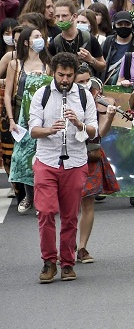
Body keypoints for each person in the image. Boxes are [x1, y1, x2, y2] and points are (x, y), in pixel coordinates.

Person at [29, 52, 98, 283]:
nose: (65, 80)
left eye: (69, 75)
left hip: (75, 161)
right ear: (53, 72)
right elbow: (33, 130)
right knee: (46, 212)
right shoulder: (43, 94)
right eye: (61, 75)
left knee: (69, 216)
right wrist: (50, 130)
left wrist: (79, 123)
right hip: (47, 160)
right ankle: (49, 261)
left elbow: (94, 130)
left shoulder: (84, 96)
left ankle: (67, 263)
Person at [75, 70, 120, 264]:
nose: (86, 85)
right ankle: (66, 246)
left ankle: (82, 247)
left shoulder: (97, 102)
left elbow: (99, 133)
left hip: (90, 154)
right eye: (81, 81)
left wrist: (109, 117)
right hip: (67, 154)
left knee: (87, 202)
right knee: (66, 205)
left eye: (88, 81)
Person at [6, 25, 49, 212]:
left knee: (40, 159)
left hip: (42, 118)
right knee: (23, 158)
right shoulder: (15, 64)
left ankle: (40, 199)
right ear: (26, 42)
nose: (41, 39)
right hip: (21, 118)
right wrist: (11, 119)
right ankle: (28, 197)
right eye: (36, 36)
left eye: (41, 36)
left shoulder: (48, 65)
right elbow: (8, 94)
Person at [49, 0, 106, 77]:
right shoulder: (55, 42)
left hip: (86, 83)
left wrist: (91, 59)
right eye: (57, 16)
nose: (60, 19)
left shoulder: (89, 38)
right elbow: (50, 70)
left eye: (64, 16)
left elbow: (103, 66)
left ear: (74, 16)